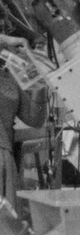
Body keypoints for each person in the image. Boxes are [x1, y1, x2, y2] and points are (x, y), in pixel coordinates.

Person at [0, 31, 48, 209]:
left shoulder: (8, 70)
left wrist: (37, 76)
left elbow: (35, 118)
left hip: (4, 158)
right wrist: (6, 41)